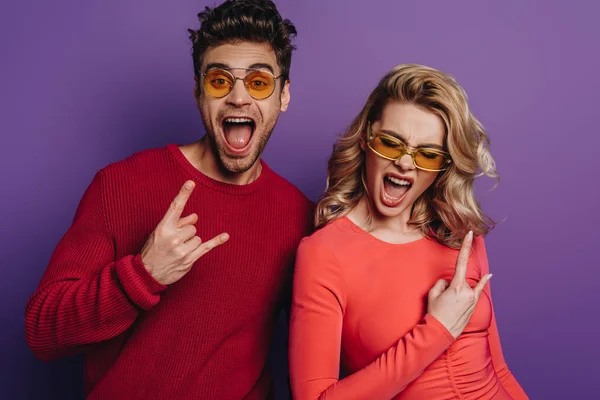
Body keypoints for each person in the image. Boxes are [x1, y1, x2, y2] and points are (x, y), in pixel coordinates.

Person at [25, 1, 313, 399]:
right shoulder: (121, 184)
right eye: (219, 81)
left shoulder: (299, 216)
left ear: (283, 95)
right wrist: (143, 274)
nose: (239, 99)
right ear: (198, 92)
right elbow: (42, 332)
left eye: (259, 83)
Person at [289, 64, 528, 399]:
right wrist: (437, 331)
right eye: (390, 143)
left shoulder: (458, 231)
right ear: (365, 139)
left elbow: (498, 369)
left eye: (427, 154)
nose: (405, 163)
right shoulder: (324, 253)